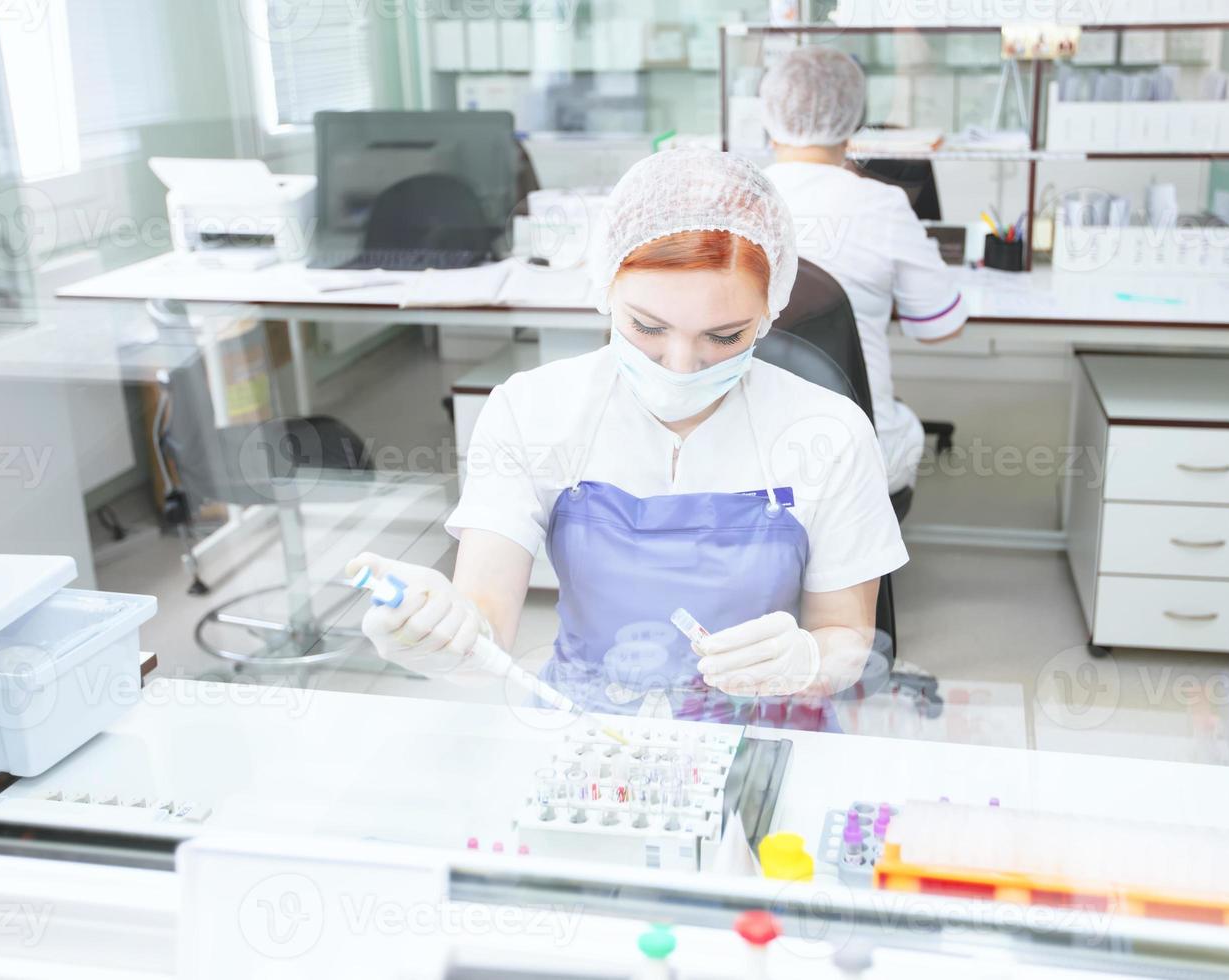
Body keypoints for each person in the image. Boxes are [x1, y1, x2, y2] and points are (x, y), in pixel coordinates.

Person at [349, 147, 906, 729]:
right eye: (647, 327)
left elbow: (848, 637)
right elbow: (483, 627)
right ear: (605, 287)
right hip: (590, 730)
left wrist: (810, 660)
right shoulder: (532, 410)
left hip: (768, 734)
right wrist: (435, 631)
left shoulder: (829, 430)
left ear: (770, 311)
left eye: (725, 336)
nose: (681, 365)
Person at [760, 46, 968, 494]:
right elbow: (939, 328)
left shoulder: (738, 199)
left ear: (768, 116)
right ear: (853, 122)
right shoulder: (881, 204)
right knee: (903, 427)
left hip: (748, 454)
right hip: (854, 458)